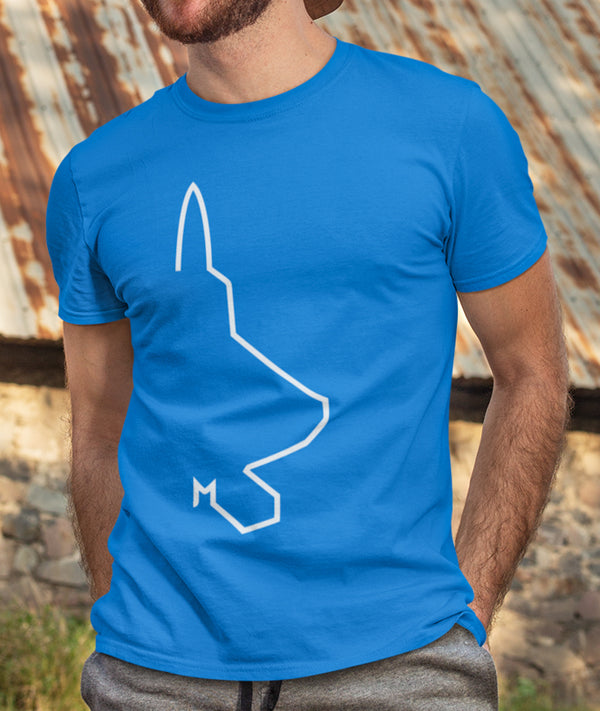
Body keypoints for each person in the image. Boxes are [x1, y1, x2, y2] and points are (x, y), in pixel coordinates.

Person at [44, 0, 572, 708]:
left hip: (399, 670)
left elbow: (531, 372)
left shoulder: (449, 128)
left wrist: (466, 612)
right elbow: (98, 429)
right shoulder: (95, 178)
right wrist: (132, 631)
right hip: (155, 679)